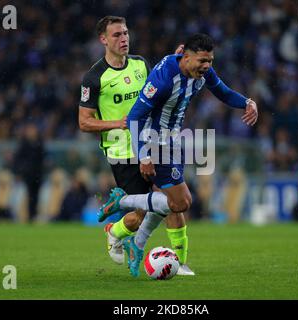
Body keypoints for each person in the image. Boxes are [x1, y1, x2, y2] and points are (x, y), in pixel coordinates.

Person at [99, 33, 258, 277]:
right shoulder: (164, 79)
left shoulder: (201, 73)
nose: (206, 66)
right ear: (186, 57)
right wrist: (143, 155)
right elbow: (133, 117)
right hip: (153, 142)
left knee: (173, 206)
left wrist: (247, 102)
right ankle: (121, 205)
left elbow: (223, 92)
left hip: (174, 141)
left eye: (210, 61)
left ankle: (156, 252)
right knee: (180, 202)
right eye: (202, 61)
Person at [78, 16, 194, 275]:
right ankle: (115, 228)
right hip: (121, 152)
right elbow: (84, 123)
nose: (124, 39)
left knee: (175, 199)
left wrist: (178, 62)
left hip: (151, 143)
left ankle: (181, 262)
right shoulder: (94, 77)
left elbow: (158, 86)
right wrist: (118, 123)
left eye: (126, 33)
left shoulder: (140, 64)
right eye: (117, 35)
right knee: (139, 216)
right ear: (103, 40)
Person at [12, 122, 46, 221]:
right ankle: (29, 216)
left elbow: (43, 158)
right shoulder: (24, 144)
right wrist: (18, 172)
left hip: (38, 174)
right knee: (29, 196)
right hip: (28, 175)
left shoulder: (39, 142)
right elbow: (18, 159)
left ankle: (34, 215)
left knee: (36, 196)